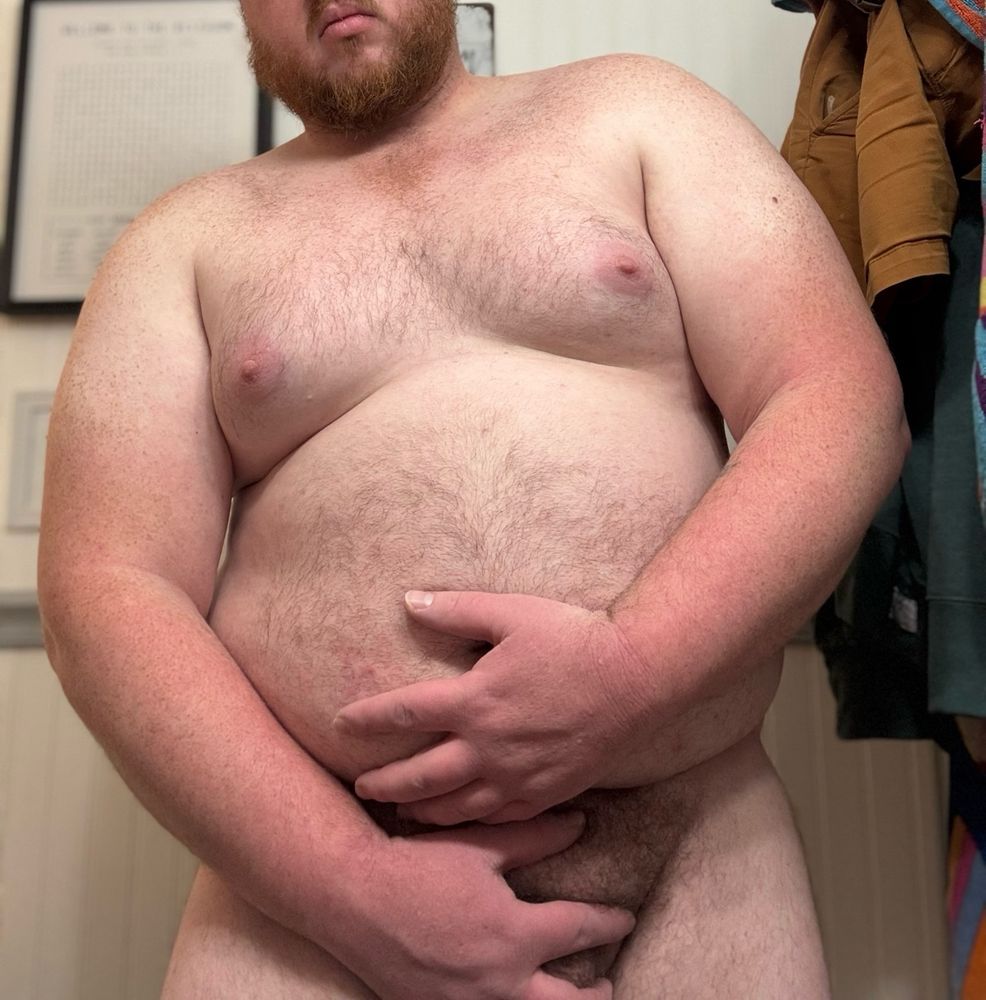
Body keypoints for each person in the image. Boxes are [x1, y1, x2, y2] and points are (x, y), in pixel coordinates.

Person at [36, 1, 909, 997]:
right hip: (311, 905)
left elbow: (834, 393)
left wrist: (628, 670)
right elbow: (108, 585)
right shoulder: (181, 242)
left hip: (691, 843)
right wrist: (350, 885)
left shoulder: (637, 114)